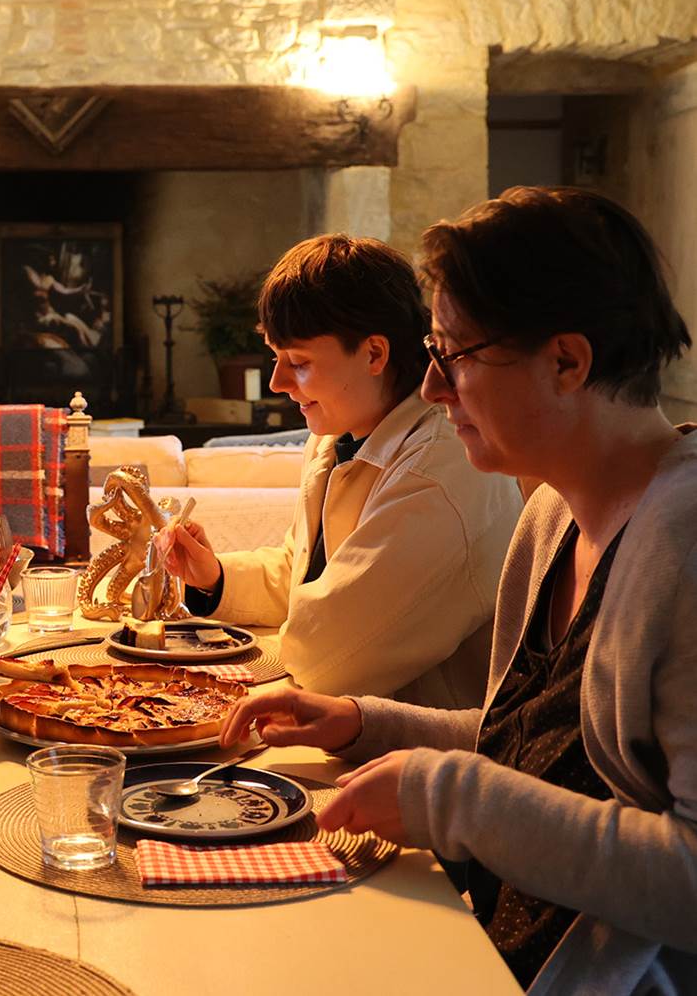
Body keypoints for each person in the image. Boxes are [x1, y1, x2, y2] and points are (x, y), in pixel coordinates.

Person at [219, 188, 697, 994]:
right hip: (477, 933)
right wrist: (362, 722)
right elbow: (531, 748)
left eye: (455, 356)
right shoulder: (551, 513)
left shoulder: (683, 545)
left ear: (567, 362)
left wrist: (451, 798)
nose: (435, 390)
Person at [157, 235, 522, 705]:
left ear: (374, 354)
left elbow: (328, 657)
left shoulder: (440, 468)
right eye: (275, 357)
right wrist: (215, 576)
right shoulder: (337, 436)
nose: (277, 382)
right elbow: (306, 575)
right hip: (351, 721)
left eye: (299, 363)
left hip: (422, 748)